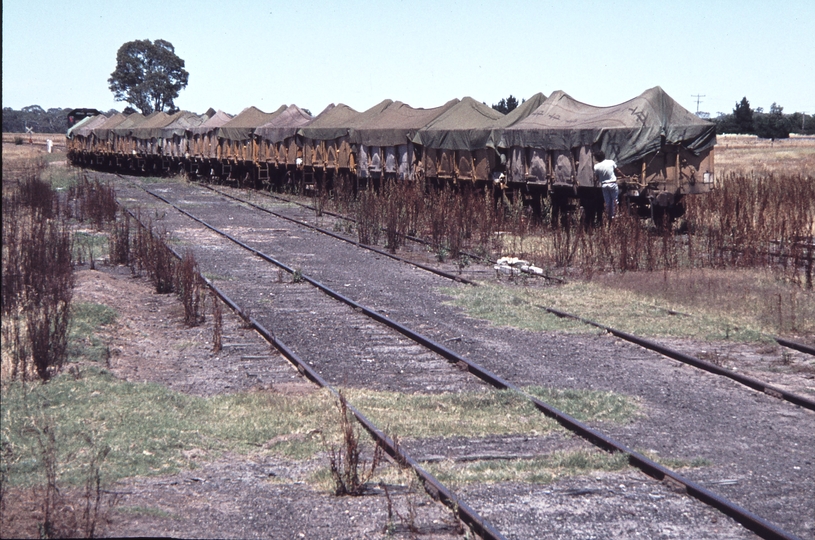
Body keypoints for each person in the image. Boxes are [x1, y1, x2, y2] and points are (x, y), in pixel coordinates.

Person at [593, 151, 623, 221]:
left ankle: (608, 216)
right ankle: (614, 216)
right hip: (612, 183)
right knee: (615, 200)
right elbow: (617, 171)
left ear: (597, 158)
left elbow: (597, 177)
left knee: (607, 201)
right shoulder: (611, 162)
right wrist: (623, 176)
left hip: (604, 185)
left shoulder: (596, 167)